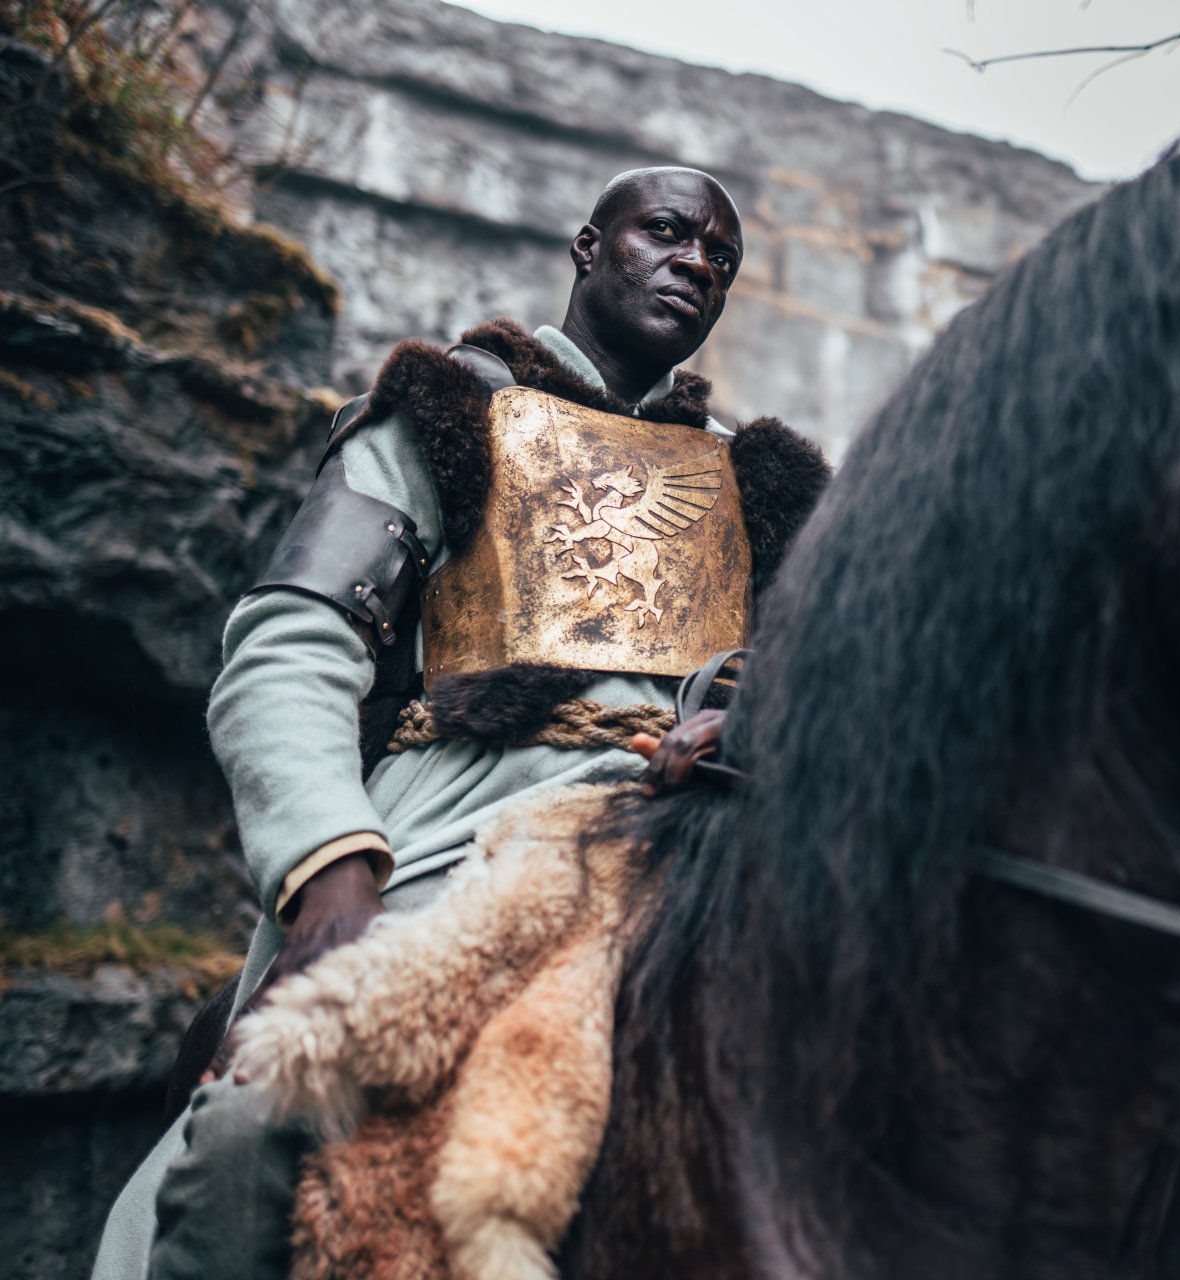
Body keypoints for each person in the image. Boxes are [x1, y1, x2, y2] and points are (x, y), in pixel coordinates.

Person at [92, 166, 829, 1280]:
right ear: (590, 246)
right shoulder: (446, 412)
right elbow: (289, 653)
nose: (695, 262)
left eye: (718, 256)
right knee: (254, 1139)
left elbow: (824, 693)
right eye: (667, 233)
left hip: (689, 857)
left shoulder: (758, 484)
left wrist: (757, 723)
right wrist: (329, 870)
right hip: (452, 852)